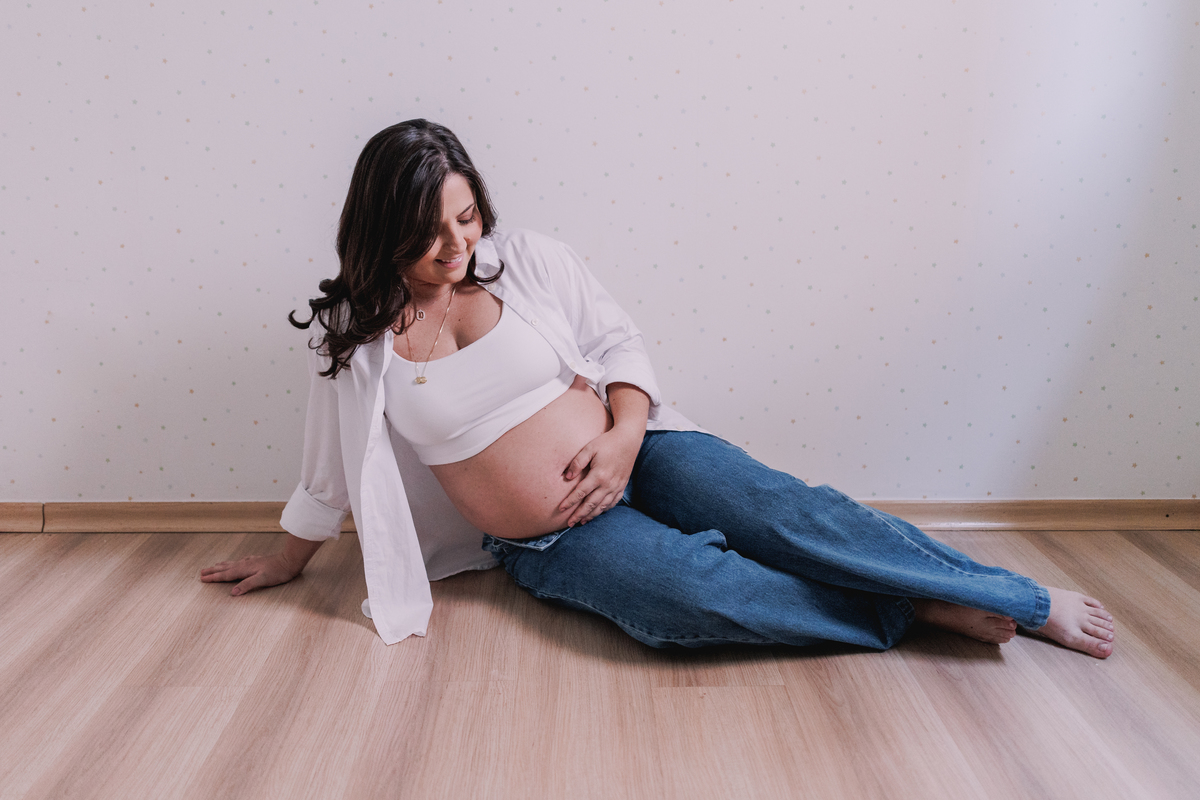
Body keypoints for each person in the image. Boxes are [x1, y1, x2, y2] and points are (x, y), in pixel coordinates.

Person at [201, 119, 1115, 659]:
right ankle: (911, 606)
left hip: (648, 452)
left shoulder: (527, 261)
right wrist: (286, 560)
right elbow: (329, 474)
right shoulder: (355, 337)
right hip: (547, 541)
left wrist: (626, 435)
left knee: (788, 516)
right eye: (429, 231)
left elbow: (616, 343)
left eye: (467, 215)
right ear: (378, 228)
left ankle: (1018, 599)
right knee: (684, 603)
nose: (458, 246)